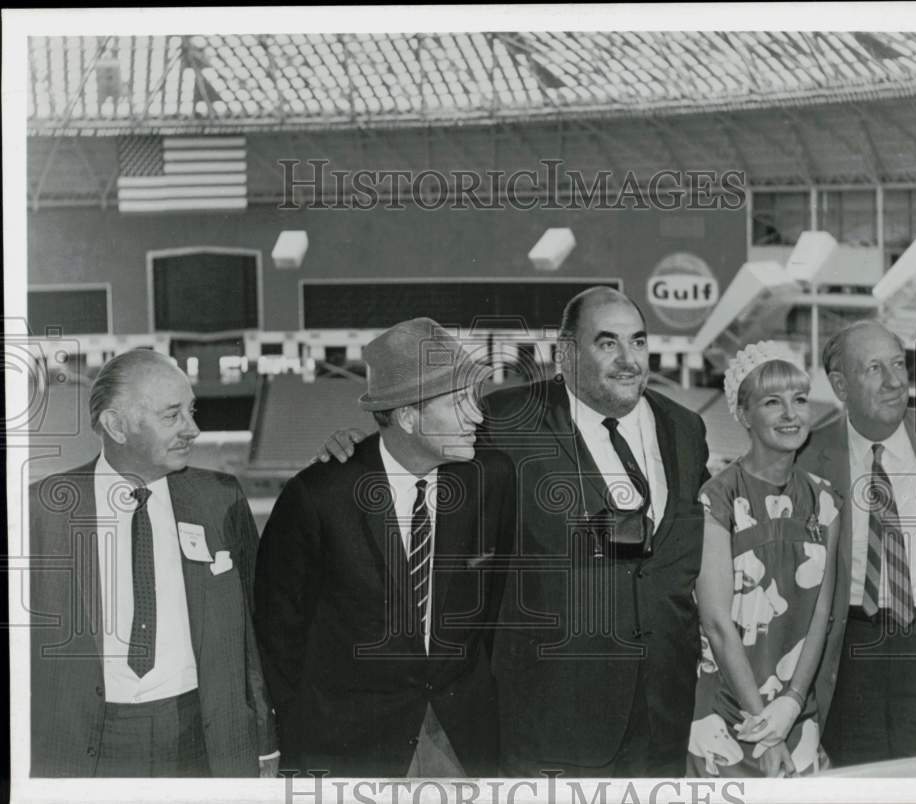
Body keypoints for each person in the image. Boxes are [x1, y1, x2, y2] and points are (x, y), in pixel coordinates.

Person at [320, 288, 710, 776]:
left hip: (662, 718)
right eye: (607, 343)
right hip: (551, 723)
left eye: (638, 341)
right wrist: (358, 453)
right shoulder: (504, 419)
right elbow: (419, 451)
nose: (628, 359)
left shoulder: (685, 428)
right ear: (566, 354)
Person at [254, 317, 514, 777]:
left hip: (462, 738)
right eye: (457, 403)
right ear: (408, 416)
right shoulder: (318, 496)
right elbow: (279, 637)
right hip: (351, 747)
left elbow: (497, 607)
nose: (476, 414)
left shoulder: (489, 478)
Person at [28, 349, 278, 777]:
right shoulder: (42, 508)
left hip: (203, 736)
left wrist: (265, 740)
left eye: (191, 411)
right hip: (86, 742)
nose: (193, 429)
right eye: (172, 415)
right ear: (116, 425)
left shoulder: (220, 499)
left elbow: (252, 635)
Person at [798, 320, 916, 765]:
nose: (894, 381)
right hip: (854, 645)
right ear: (840, 385)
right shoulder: (809, 456)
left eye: (897, 364)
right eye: (874, 369)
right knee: (859, 770)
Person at [686, 342, 840, 778]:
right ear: (743, 413)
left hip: (795, 709)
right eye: (773, 402)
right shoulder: (716, 498)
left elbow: (821, 614)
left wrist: (790, 705)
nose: (791, 414)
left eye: (799, 399)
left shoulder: (826, 499)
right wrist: (765, 727)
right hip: (729, 710)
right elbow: (716, 623)